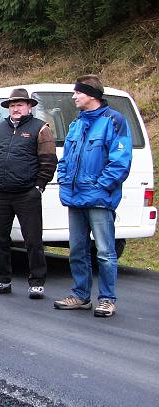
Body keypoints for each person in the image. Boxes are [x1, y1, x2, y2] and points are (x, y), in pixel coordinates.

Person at [54, 75, 132, 318]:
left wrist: (101, 186)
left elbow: (120, 161)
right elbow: (66, 159)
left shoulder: (114, 121)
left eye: (78, 92)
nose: (74, 96)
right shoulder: (76, 124)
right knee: (77, 249)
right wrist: (65, 182)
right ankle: (80, 295)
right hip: (75, 198)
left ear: (92, 95)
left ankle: (107, 299)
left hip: (98, 198)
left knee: (105, 252)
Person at [0, 88, 58, 299]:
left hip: (27, 193)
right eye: (12, 105)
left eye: (19, 105)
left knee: (33, 240)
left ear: (29, 107)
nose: (15, 109)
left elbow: (49, 160)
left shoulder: (40, 128)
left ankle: (37, 282)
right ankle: (2, 280)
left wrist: (39, 186)